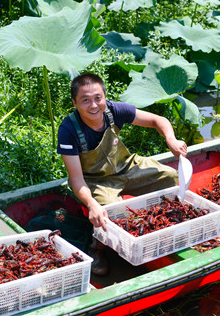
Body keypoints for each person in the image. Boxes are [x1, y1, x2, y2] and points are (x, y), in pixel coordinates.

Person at [57, 73, 187, 275]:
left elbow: (157, 120)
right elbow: (76, 179)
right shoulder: (68, 129)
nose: (93, 105)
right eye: (85, 100)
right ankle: (96, 248)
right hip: (96, 180)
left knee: (170, 176)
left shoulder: (114, 110)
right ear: (74, 103)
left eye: (98, 98)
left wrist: (171, 140)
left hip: (126, 166)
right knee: (110, 211)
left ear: (104, 97)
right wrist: (93, 205)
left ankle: (163, 224)